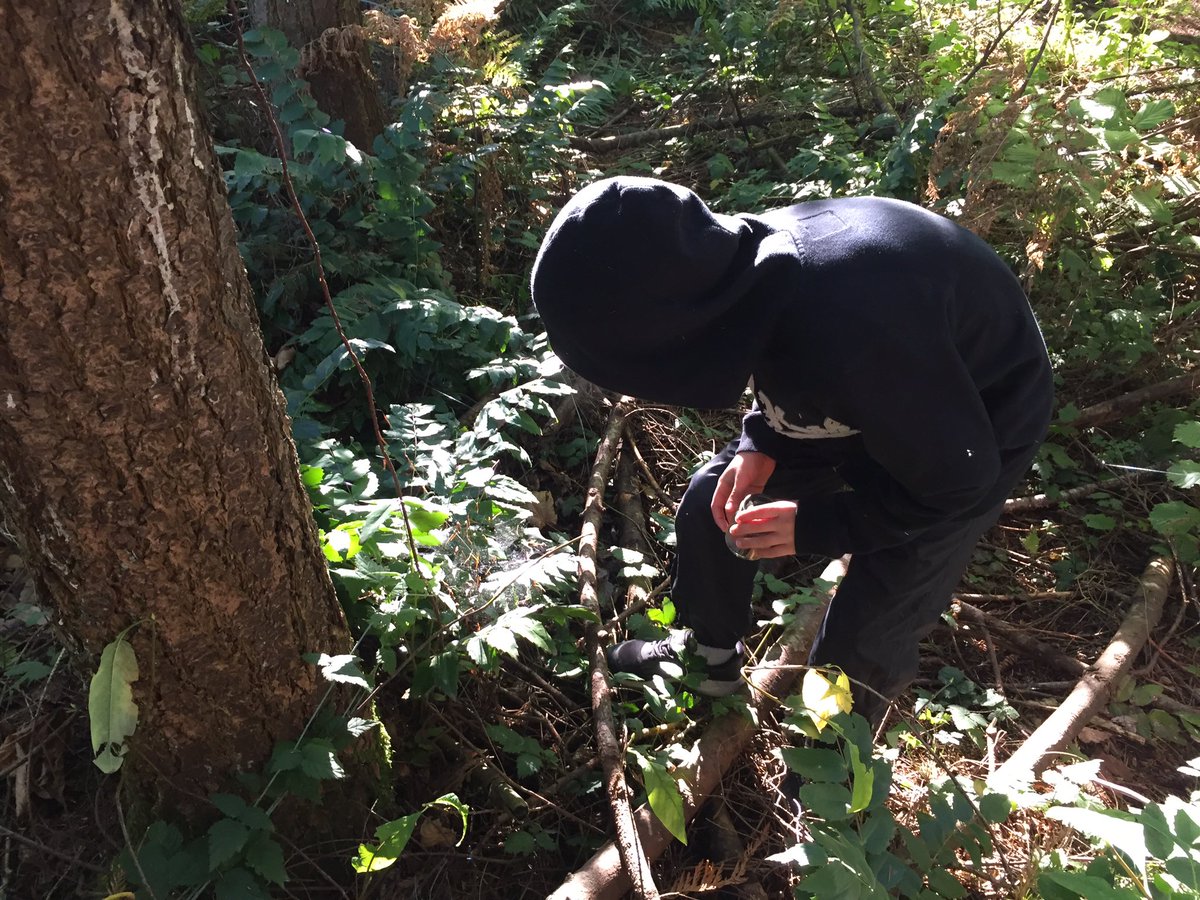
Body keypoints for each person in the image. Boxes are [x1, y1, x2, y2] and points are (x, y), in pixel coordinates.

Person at [530, 176, 1053, 725]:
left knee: (867, 630)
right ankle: (708, 659)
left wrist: (816, 526)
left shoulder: (856, 326)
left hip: (969, 432)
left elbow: (953, 484)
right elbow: (782, 352)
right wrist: (763, 438)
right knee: (717, 498)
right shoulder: (741, 272)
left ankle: (835, 767)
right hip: (880, 390)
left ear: (665, 331)